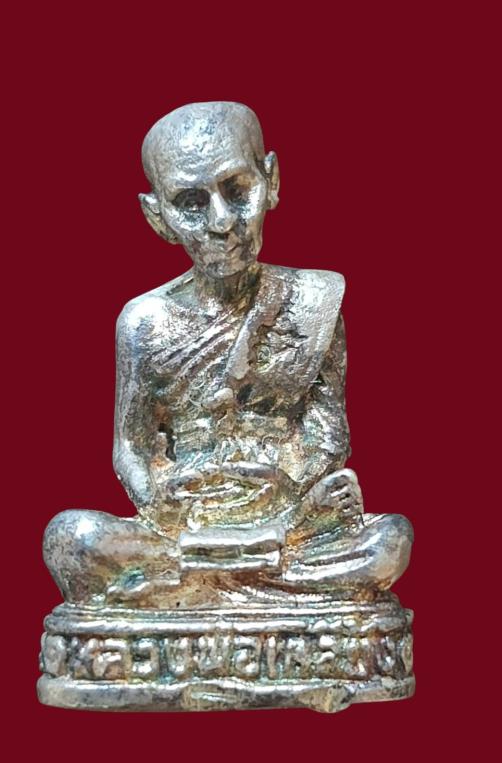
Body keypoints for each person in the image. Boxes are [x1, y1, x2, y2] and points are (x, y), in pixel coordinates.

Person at [44, 101, 412, 609]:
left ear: (272, 181)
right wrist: (160, 501)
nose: (221, 222)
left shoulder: (312, 302)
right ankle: (255, 584)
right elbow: (131, 448)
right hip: (187, 524)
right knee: (72, 537)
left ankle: (190, 587)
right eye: (191, 203)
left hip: (287, 520)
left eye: (237, 191)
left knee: (390, 540)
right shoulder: (145, 323)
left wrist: (295, 497)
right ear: (158, 217)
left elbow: (328, 436)